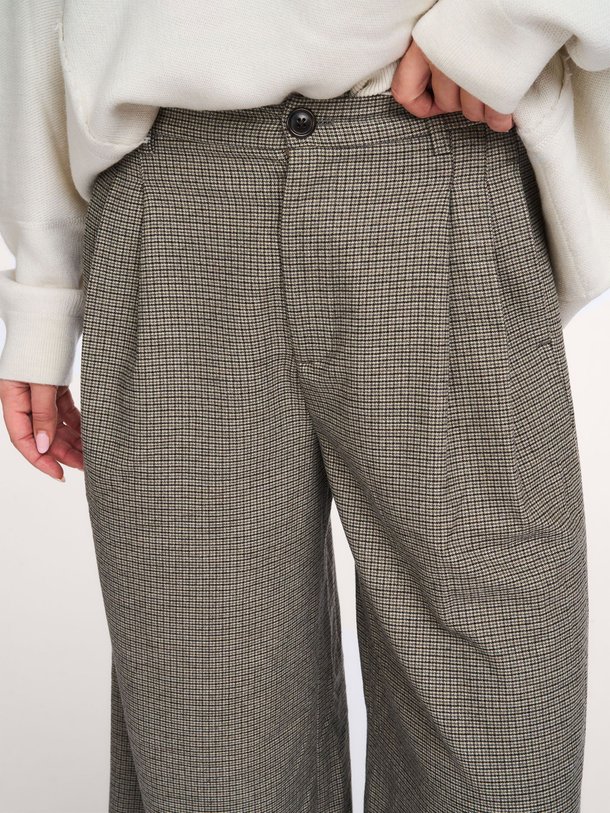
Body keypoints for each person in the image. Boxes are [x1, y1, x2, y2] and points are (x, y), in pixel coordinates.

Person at [0, 2, 608, 811]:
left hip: (432, 154)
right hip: (172, 196)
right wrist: (42, 285)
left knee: (499, 728)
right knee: (207, 748)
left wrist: (501, 22)